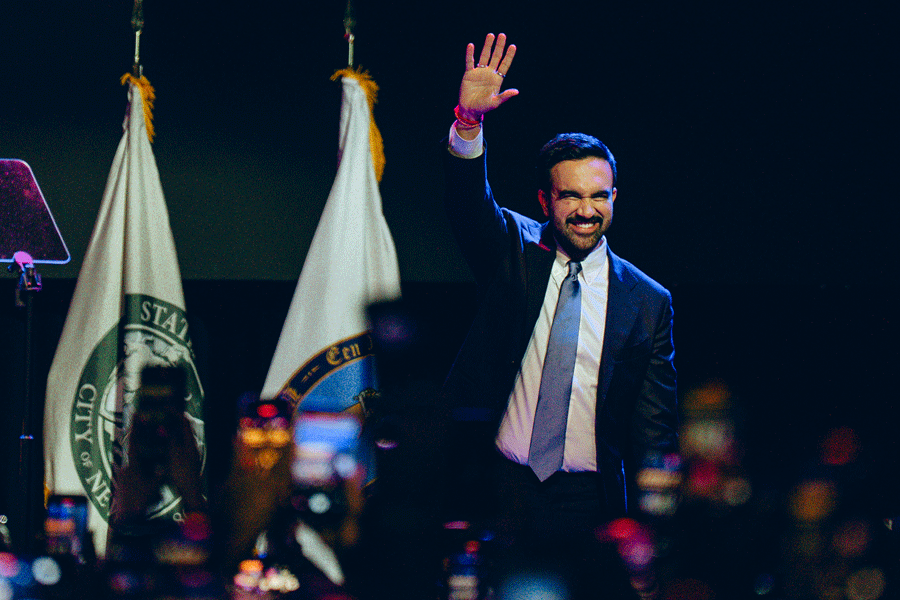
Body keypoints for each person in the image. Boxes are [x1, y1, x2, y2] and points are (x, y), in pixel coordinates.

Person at [441, 33, 679, 595]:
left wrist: (653, 528)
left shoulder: (648, 301)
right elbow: (465, 203)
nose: (586, 210)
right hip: (499, 485)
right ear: (546, 201)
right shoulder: (511, 250)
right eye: (570, 196)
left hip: (588, 503)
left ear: (615, 197)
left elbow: (653, 430)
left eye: (599, 196)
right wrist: (469, 122)